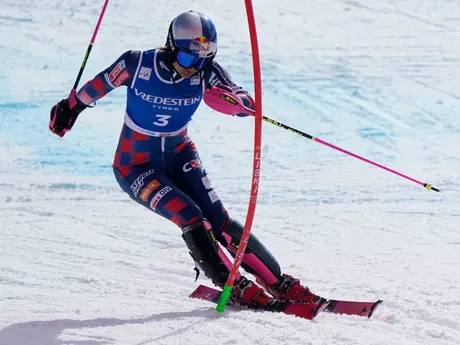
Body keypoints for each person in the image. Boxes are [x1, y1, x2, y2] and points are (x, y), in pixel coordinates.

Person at [49, 10, 320, 309]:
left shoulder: (207, 71)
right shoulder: (137, 64)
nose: (195, 68)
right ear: (171, 46)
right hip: (134, 165)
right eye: (190, 59)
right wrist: (69, 109)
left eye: (204, 60)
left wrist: (234, 103)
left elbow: (245, 102)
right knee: (191, 216)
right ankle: (234, 285)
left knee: (220, 221)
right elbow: (97, 87)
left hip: (180, 154)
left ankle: (280, 283)